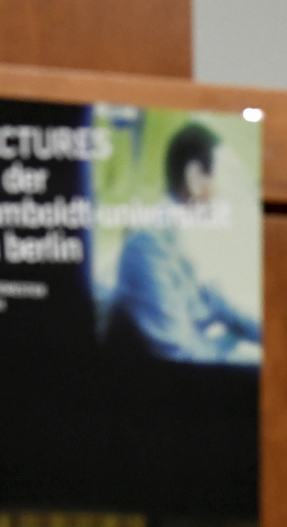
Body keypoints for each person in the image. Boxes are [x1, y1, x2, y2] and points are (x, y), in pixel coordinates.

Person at [105, 121, 261, 363]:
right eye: (224, 177)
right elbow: (179, 352)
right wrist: (241, 356)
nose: (227, 194)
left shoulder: (178, 240)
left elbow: (220, 307)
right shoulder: (147, 247)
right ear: (195, 177)